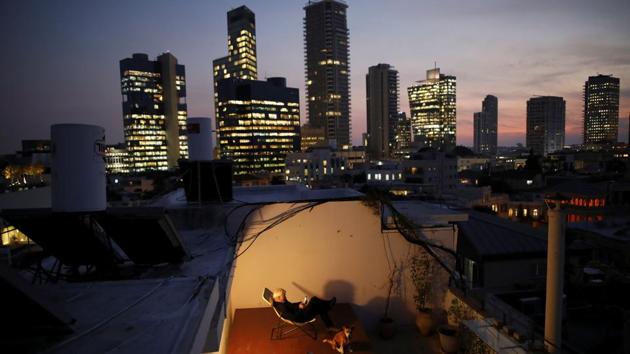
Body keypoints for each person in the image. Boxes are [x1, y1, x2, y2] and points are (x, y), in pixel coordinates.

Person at [272, 288, 337, 329]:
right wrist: (300, 309)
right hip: (302, 317)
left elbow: (291, 305)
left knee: (319, 306)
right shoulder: (283, 308)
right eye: (284, 296)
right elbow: (294, 317)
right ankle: (328, 306)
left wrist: (299, 304)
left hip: (301, 312)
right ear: (278, 298)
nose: (285, 297)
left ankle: (330, 325)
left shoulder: (281, 301)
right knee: (314, 300)